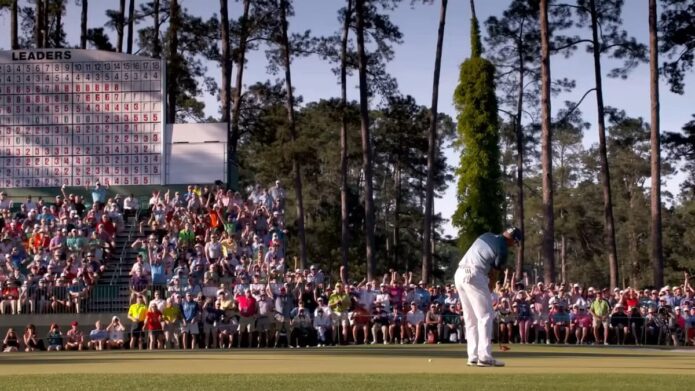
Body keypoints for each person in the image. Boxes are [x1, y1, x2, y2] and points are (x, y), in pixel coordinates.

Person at [453, 227, 522, 367]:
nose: (513, 246)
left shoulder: (487, 235)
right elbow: (494, 273)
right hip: (475, 275)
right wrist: (490, 287)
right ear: (513, 240)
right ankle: (484, 356)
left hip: (459, 274)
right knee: (485, 316)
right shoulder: (503, 249)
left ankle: (472, 357)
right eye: (515, 243)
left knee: (470, 318)